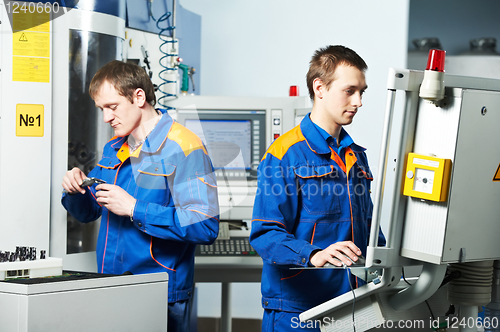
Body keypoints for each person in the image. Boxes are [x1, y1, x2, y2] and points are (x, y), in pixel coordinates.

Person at [61, 60, 219, 332]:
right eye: (101, 109)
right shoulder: (116, 147)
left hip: (159, 293)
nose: (106, 118)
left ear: (138, 97)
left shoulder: (184, 147)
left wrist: (135, 209)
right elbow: (90, 212)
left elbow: (204, 225)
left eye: (112, 107)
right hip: (111, 284)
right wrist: (74, 189)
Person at [249, 45, 386, 331]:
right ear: (320, 88)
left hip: (353, 303)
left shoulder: (356, 155)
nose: (358, 101)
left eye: (362, 92)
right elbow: (265, 235)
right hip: (298, 310)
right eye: (350, 91)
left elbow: (370, 228)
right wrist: (314, 255)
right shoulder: (284, 154)